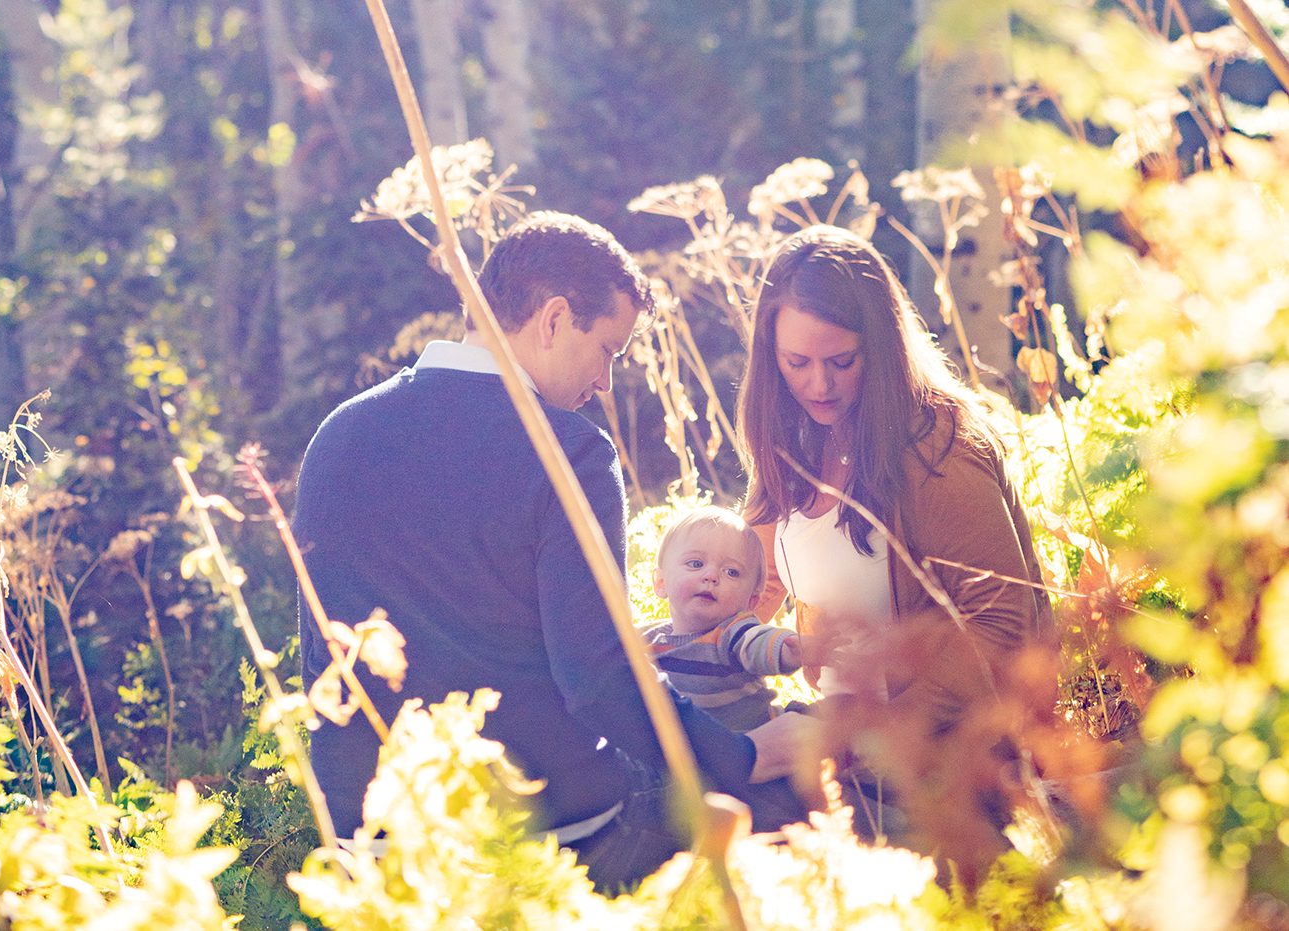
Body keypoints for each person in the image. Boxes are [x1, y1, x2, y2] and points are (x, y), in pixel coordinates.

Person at [294, 211, 814, 890]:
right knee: (778, 818)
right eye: (606, 349)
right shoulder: (565, 451)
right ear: (553, 318)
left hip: (367, 836)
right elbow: (597, 674)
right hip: (541, 830)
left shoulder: (338, 434)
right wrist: (739, 754)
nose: (603, 382)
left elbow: (318, 653)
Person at [736, 224, 1051, 843]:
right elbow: (763, 580)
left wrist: (880, 734)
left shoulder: (941, 449)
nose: (819, 385)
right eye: (797, 363)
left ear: (880, 349)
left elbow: (998, 626)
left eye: (842, 362)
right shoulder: (790, 438)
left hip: (939, 764)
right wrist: (692, 641)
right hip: (837, 744)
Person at [644, 505, 817, 732]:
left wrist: (788, 650)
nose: (711, 576)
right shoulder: (646, 640)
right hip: (696, 753)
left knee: (803, 734)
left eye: (731, 572)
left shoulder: (733, 633)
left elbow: (756, 642)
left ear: (752, 602)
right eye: (696, 564)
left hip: (758, 744)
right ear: (661, 582)